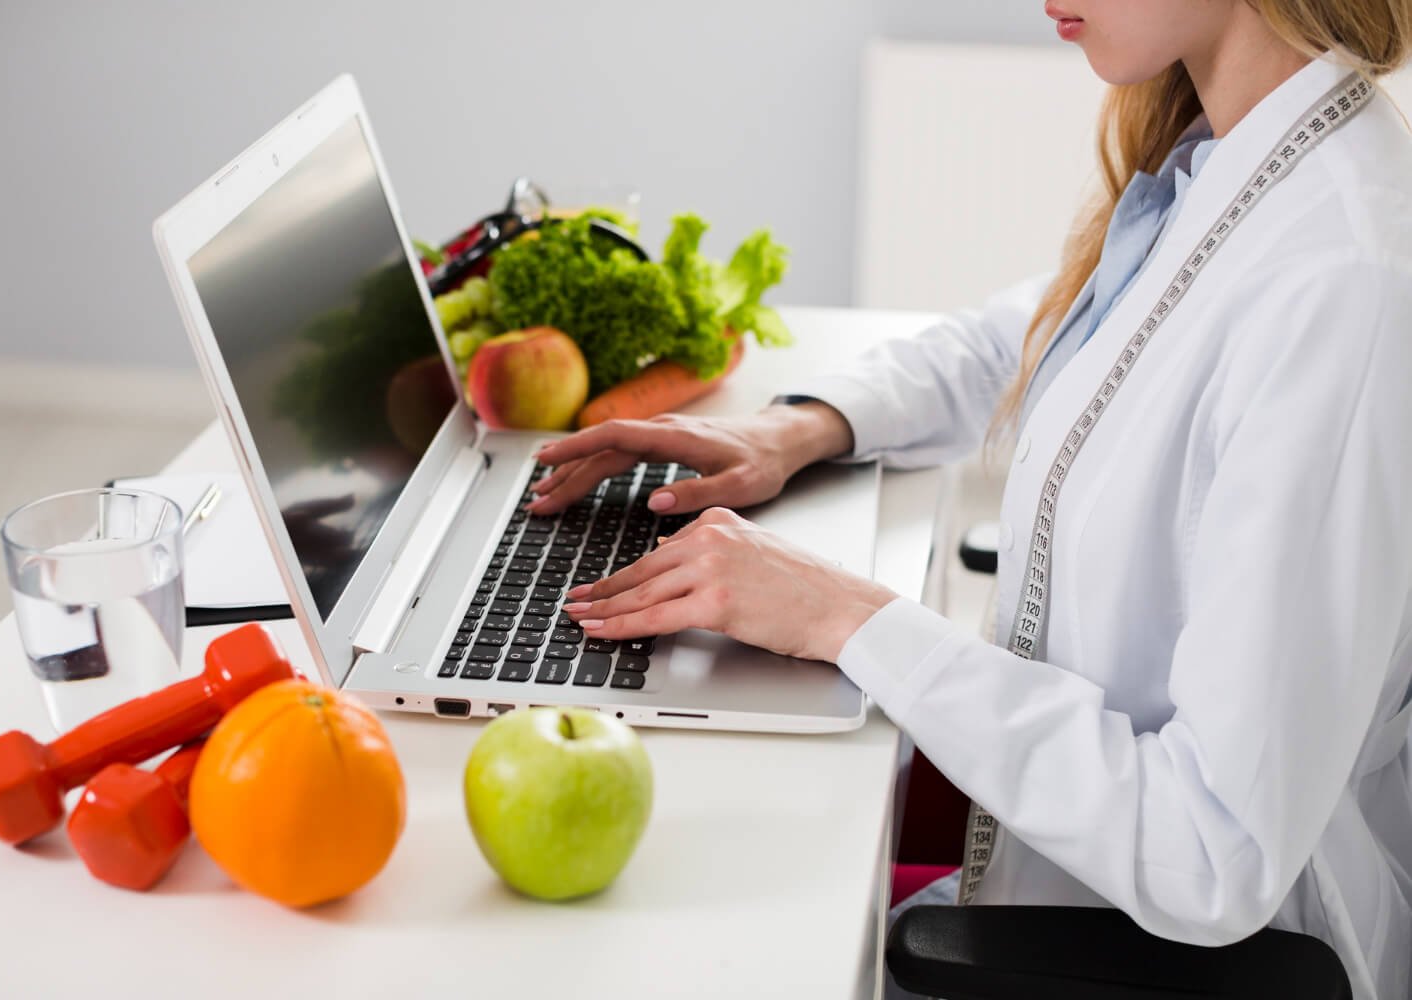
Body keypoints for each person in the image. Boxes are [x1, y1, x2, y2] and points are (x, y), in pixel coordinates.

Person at [530, 1, 1412, 996]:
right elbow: (1022, 339)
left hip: (1155, 954)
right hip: (1054, 886)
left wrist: (847, 615)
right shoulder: (1233, 158)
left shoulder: (1343, 282)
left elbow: (1217, 850)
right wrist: (799, 427)